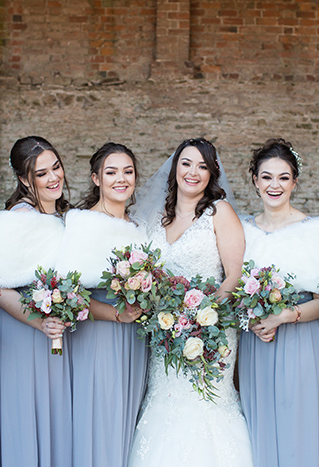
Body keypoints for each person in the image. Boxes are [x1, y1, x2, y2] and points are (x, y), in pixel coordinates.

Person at [128, 138, 253, 467]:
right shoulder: (156, 217)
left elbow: (235, 276)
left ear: (212, 173)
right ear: (175, 167)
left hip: (209, 333)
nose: (193, 172)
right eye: (186, 163)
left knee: (204, 406)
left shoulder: (219, 213)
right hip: (163, 334)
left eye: (202, 166)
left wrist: (202, 317)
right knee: (164, 402)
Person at [238, 138, 319, 466]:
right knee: (259, 425)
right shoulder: (242, 230)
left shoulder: (316, 229)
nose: (274, 185)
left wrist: (284, 316)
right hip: (256, 344)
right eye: (267, 177)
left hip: (300, 342)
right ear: (255, 180)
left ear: (294, 181)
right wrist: (250, 319)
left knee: (298, 429)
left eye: (283, 177)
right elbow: (233, 290)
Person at [57, 142, 148, 467]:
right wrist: (115, 314)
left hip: (135, 340)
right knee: (100, 420)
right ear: (96, 178)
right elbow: (69, 292)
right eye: (111, 172)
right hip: (98, 336)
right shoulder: (82, 224)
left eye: (128, 171)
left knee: (127, 419)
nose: (120, 179)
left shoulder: (138, 228)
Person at [0, 136, 72, 466]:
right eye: (41, 173)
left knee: (53, 413)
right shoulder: (18, 217)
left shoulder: (59, 212)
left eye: (56, 167)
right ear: (24, 179)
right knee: (28, 413)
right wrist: (38, 321)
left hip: (54, 328)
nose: (53, 178)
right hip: (25, 329)